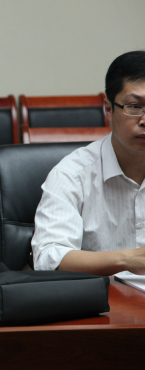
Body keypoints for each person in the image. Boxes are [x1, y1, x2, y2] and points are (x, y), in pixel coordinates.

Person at [32, 50, 145, 275]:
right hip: (107, 295)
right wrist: (127, 259)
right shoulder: (71, 174)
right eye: (134, 106)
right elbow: (48, 257)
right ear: (108, 108)